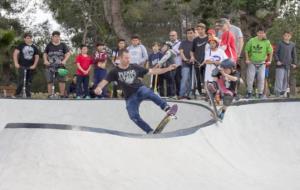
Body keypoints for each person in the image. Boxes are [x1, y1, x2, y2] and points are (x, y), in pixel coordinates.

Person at [94, 50, 177, 134]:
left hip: (139, 89)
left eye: (129, 58)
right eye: (126, 58)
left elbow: (152, 71)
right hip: (130, 97)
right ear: (120, 58)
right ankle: (149, 131)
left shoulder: (135, 67)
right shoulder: (114, 71)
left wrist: (168, 68)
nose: (128, 60)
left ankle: (167, 108)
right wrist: (98, 88)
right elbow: (104, 81)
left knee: (149, 93)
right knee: (133, 116)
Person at [244, 26, 273, 99]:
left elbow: (271, 51)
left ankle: (260, 93)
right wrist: (247, 59)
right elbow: (246, 50)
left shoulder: (266, 41)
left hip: (262, 63)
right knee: (250, 78)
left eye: (262, 33)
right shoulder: (252, 40)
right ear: (257, 33)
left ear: (264, 33)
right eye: (259, 33)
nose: (261, 34)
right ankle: (249, 92)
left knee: (261, 78)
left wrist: (270, 60)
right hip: (252, 62)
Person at [43, 31, 71, 98]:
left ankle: (62, 95)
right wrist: (45, 60)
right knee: (49, 81)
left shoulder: (63, 45)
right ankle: (50, 95)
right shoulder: (49, 45)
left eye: (58, 36)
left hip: (60, 66)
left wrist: (64, 60)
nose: (57, 38)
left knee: (62, 81)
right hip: (50, 65)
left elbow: (68, 54)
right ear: (52, 37)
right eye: (55, 36)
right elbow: (45, 53)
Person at [13, 32, 39, 98]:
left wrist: (34, 65)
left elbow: (37, 57)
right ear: (24, 39)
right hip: (21, 65)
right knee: (21, 81)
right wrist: (16, 63)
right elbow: (15, 54)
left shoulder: (34, 47)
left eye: (30, 38)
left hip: (30, 67)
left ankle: (28, 95)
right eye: (27, 38)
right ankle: (17, 94)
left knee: (28, 82)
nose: (29, 39)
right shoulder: (21, 45)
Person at [274, 30, 297, 97]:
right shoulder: (279, 43)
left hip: (288, 65)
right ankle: (278, 92)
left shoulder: (292, 44)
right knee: (279, 79)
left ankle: (284, 92)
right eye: (285, 35)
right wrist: (277, 60)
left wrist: (294, 63)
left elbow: (294, 55)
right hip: (280, 64)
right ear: (283, 36)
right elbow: (275, 53)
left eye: (288, 36)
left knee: (285, 79)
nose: (287, 37)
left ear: (290, 37)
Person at [190, 23, 208, 96]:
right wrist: (192, 57)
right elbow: (192, 51)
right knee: (198, 78)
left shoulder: (208, 38)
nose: (200, 31)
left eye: (201, 29)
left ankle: (208, 92)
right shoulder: (195, 40)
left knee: (206, 78)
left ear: (204, 29)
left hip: (206, 62)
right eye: (198, 29)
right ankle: (200, 93)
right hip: (197, 62)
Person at [178, 28, 195, 99]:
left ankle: (189, 94)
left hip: (194, 63)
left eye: (191, 33)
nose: (189, 35)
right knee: (184, 78)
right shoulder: (183, 42)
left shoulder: (196, 42)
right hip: (185, 63)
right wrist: (185, 59)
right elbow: (181, 52)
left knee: (191, 80)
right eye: (188, 33)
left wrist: (193, 58)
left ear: (194, 33)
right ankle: (181, 94)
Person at [169, 30, 182, 96]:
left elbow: (180, 52)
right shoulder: (168, 44)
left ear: (176, 36)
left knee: (178, 80)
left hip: (178, 64)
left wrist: (171, 51)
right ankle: (172, 94)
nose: (172, 37)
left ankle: (179, 94)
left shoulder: (180, 43)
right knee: (171, 80)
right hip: (170, 65)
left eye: (173, 35)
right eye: (170, 35)